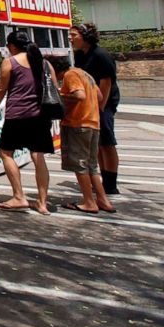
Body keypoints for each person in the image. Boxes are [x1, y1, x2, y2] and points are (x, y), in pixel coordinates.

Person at [0, 30, 57, 214]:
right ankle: (42, 203)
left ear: (11, 46)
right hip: (40, 116)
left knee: (5, 153)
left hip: (17, 115)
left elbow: (1, 89)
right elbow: (54, 88)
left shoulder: (9, 62)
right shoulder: (44, 63)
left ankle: (19, 196)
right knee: (38, 156)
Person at [49, 56, 116, 214]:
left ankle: (89, 202)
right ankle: (103, 200)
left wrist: (60, 95)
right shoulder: (86, 74)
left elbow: (80, 96)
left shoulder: (70, 75)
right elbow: (99, 96)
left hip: (78, 124)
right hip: (93, 123)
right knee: (91, 165)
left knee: (80, 165)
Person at [70, 23, 121, 194]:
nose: (71, 39)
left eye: (74, 35)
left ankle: (111, 183)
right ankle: (102, 180)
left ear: (85, 36)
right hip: (91, 103)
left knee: (107, 142)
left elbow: (106, 83)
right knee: (97, 143)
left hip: (104, 104)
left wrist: (99, 107)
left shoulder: (101, 55)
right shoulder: (80, 56)